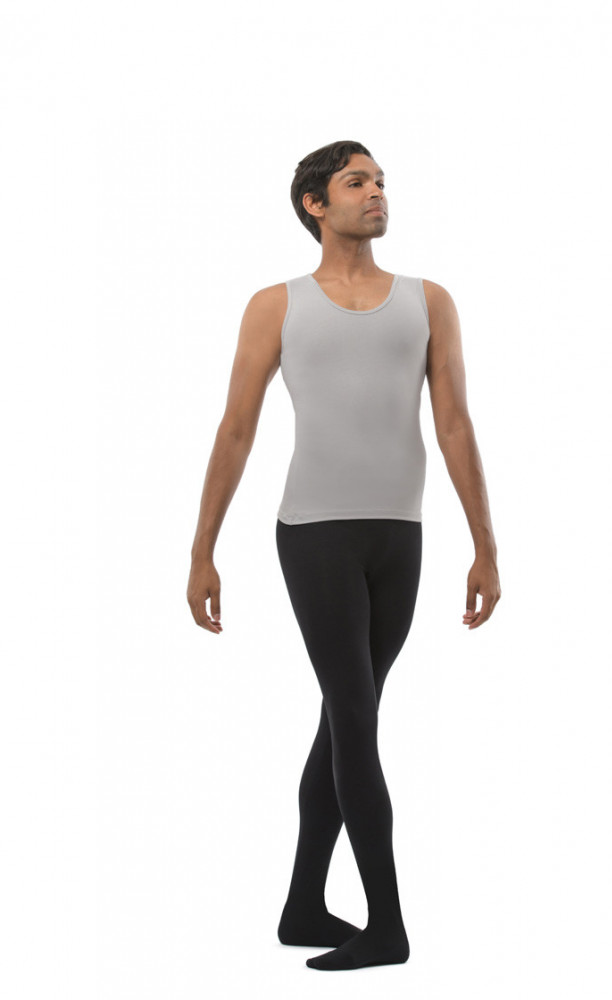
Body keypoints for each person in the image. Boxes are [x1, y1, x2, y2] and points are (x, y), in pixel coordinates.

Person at [187, 140, 501, 971]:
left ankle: (301, 907)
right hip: (316, 532)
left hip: (400, 533)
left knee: (344, 718)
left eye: (381, 181)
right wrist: (202, 551)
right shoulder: (276, 305)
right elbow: (236, 430)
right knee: (356, 719)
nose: (376, 192)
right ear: (315, 205)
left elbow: (455, 424)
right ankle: (387, 924)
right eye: (356, 182)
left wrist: (486, 545)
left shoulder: (429, 301)